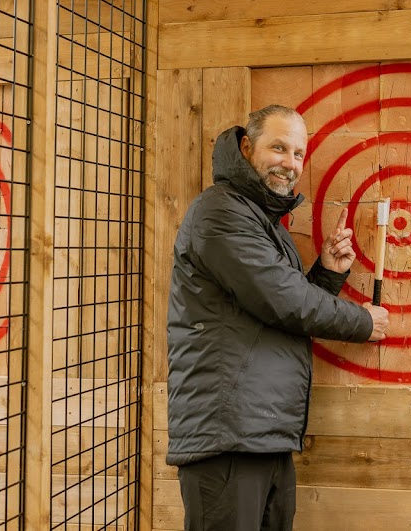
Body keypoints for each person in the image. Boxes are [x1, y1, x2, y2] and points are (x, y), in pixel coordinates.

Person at [166, 104, 390, 531]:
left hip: (260, 431)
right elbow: (281, 299)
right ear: (247, 148)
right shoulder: (221, 212)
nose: (290, 163)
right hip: (227, 435)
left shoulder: (262, 221)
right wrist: (363, 322)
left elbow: (278, 312)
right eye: (279, 148)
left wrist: (326, 272)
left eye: (299, 154)